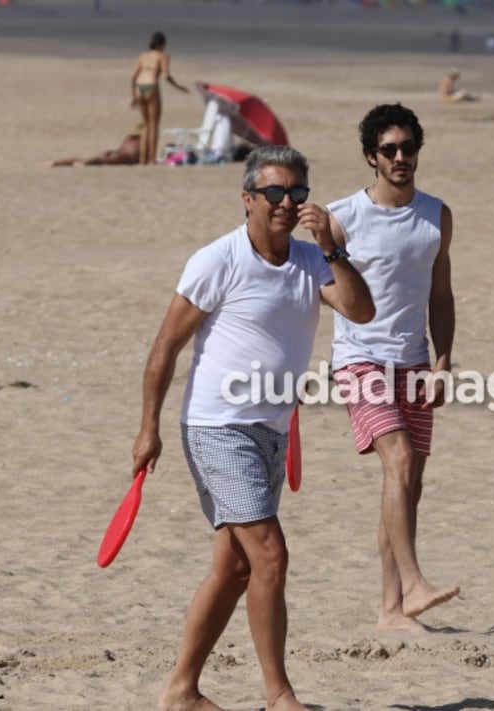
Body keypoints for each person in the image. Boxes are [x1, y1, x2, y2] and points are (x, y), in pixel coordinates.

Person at [132, 145, 374, 711]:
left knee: (235, 565)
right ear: (248, 199)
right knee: (269, 556)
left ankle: (181, 690)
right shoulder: (217, 260)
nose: (286, 203)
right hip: (218, 427)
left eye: (296, 193)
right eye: (274, 193)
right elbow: (165, 346)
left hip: (271, 429)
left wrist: (333, 247)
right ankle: (279, 695)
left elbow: (362, 310)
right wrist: (149, 428)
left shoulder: (313, 262)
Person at [326, 103, 460, 633]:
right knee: (398, 462)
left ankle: (390, 610)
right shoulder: (343, 218)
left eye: (408, 147)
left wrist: (443, 361)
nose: (401, 157)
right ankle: (414, 583)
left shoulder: (436, 215)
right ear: (371, 158)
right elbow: (310, 286)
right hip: (359, 359)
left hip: (414, 360)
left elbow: (442, 295)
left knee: (406, 486)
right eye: (389, 150)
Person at [131, 31, 189, 165]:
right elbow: (166, 76)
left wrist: (134, 95)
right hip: (151, 86)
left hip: (139, 87)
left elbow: (133, 77)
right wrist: (179, 87)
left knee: (145, 125)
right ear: (163, 44)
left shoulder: (143, 56)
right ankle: (151, 159)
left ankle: (142, 160)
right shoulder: (163, 56)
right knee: (153, 125)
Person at [41, 126, 141, 167]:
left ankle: (57, 162)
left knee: (98, 158)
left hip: (122, 151)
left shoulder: (132, 137)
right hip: (126, 155)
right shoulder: (143, 136)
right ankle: (58, 163)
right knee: (98, 160)